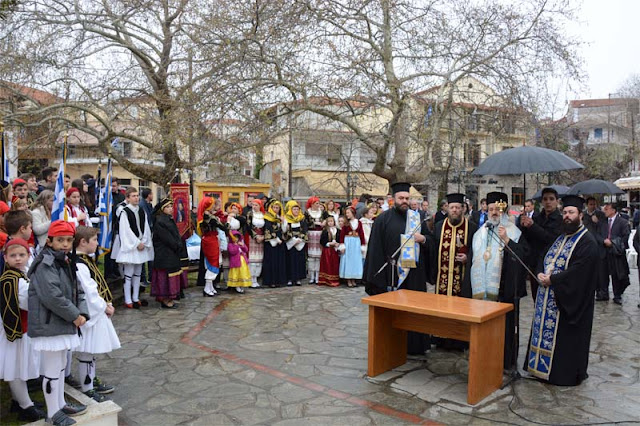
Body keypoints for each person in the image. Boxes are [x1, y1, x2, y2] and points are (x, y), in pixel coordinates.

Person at [524, 195, 598, 386]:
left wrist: (553, 280)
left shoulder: (587, 241)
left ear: (580, 215)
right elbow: (543, 256)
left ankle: (560, 375)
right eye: (564, 212)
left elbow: (579, 271)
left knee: (564, 338)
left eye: (571, 212)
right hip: (547, 294)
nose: (567, 216)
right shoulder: (561, 237)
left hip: (567, 300)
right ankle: (539, 370)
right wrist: (539, 272)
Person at [28, 221, 89, 425]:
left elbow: (77, 289)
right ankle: (52, 413)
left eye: (69, 240)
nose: (65, 244)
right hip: (49, 324)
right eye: (60, 240)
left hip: (61, 322)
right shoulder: (45, 264)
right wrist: (74, 315)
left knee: (61, 365)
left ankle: (60, 404)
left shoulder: (65, 261)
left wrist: (83, 312)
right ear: (49, 241)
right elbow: (52, 296)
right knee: (53, 369)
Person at [363, 182, 430, 355]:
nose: (404, 201)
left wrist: (423, 239)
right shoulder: (383, 219)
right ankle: (391, 346)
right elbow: (375, 248)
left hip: (414, 275)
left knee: (413, 311)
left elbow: (430, 241)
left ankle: (414, 347)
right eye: (401, 198)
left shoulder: (417, 218)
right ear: (393, 199)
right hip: (392, 275)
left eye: (407, 198)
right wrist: (376, 277)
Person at [470, 192, 529, 369]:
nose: (494, 212)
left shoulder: (514, 232)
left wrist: (507, 240)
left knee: (505, 328)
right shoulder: (480, 233)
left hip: (505, 289)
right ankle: (484, 357)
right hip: (484, 291)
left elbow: (524, 255)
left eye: (498, 209)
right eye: (491, 209)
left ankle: (505, 361)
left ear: (504, 210)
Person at [0, 238, 46, 422]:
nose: (18, 259)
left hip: (22, 328)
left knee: (19, 366)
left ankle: (18, 401)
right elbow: (28, 302)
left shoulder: (19, 275)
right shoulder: (11, 279)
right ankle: (26, 407)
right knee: (16, 369)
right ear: (5, 257)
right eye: (13, 255)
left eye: (21, 255)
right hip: (15, 330)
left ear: (28, 255)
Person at [73, 226, 120, 401]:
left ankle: (91, 380)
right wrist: (104, 306)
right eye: (94, 240)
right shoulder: (79, 264)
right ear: (83, 242)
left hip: (95, 310)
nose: (97, 243)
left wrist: (106, 302)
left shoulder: (85, 260)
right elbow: (88, 291)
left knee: (91, 351)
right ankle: (87, 388)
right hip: (88, 312)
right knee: (87, 351)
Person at [111, 187, 154, 309]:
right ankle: (128, 299)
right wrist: (136, 243)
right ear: (128, 198)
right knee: (128, 274)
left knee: (138, 273)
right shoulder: (124, 212)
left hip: (141, 245)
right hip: (131, 246)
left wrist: (144, 241)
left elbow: (145, 227)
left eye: (137, 195)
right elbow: (125, 230)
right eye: (133, 196)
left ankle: (135, 297)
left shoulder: (141, 210)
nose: (136, 198)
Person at [518, 187, 562, 300]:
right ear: (542, 201)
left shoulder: (560, 220)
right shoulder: (537, 218)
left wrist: (533, 226)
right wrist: (523, 226)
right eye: (545, 199)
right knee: (536, 297)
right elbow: (527, 239)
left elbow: (551, 239)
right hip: (535, 263)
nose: (548, 202)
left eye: (551, 199)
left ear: (557, 201)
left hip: (551, 264)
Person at [431, 193, 477, 298]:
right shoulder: (439, 226)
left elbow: (475, 251)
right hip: (442, 278)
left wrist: (468, 258)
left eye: (457, 207)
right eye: (452, 207)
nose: (454, 210)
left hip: (462, 279)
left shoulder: (471, 228)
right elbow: (433, 250)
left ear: (463, 209)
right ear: (447, 209)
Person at [151, 198, 187, 308]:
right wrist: (177, 245)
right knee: (165, 278)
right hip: (164, 253)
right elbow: (167, 238)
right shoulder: (160, 221)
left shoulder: (169, 219)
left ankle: (170, 298)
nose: (171, 208)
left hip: (171, 253)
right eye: (168, 207)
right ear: (163, 209)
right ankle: (165, 299)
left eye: (171, 206)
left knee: (171, 275)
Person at [197, 197, 228, 297]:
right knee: (213, 262)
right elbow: (223, 227)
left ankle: (210, 287)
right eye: (213, 204)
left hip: (210, 240)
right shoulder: (210, 218)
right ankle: (207, 287)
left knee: (213, 262)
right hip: (210, 241)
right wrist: (227, 222)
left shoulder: (205, 216)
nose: (214, 206)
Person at [602, 202, 630, 304]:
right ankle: (603, 293)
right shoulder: (603, 222)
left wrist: (613, 243)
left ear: (613, 210)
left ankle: (617, 295)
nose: (605, 211)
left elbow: (625, 236)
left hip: (616, 252)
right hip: (604, 251)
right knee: (604, 273)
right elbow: (599, 234)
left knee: (617, 274)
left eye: (607, 209)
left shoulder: (622, 222)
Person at [582, 197, 609, 301]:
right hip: (587, 245)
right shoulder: (583, 215)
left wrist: (597, 222)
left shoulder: (600, 215)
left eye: (594, 204)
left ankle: (602, 292)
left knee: (601, 271)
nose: (593, 206)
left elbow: (604, 229)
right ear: (587, 205)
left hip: (599, 246)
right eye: (591, 204)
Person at [263, 200, 287, 288]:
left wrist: (283, 222)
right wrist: (276, 239)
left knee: (279, 261)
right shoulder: (267, 217)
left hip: (280, 242)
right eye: (274, 207)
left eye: (278, 208)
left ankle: (279, 280)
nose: (276, 209)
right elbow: (268, 229)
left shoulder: (280, 218)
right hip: (271, 242)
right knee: (271, 262)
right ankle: (271, 281)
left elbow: (284, 230)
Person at [339, 206, 365, 287]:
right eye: (346, 213)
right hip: (348, 243)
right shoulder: (346, 223)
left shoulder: (359, 222)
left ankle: (354, 278)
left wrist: (362, 245)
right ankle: (348, 279)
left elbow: (361, 234)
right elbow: (342, 235)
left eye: (348, 213)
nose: (347, 214)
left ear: (353, 213)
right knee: (348, 260)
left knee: (355, 260)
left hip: (356, 242)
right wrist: (342, 245)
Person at [283, 200, 307, 286]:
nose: (296, 211)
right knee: (290, 261)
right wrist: (293, 240)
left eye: (297, 209)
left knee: (299, 261)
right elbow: (286, 231)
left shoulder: (302, 218)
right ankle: (290, 278)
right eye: (294, 209)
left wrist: (300, 239)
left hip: (300, 242)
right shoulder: (287, 218)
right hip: (290, 242)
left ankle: (298, 278)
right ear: (291, 210)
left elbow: (304, 230)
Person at [304, 196, 326, 284]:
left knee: (318, 257)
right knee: (311, 257)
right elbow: (305, 223)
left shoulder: (322, 212)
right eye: (316, 203)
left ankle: (317, 276)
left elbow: (328, 218)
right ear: (312, 204)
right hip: (311, 235)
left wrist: (325, 222)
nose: (318, 205)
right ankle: (311, 276)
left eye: (318, 203)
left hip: (320, 234)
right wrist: (314, 223)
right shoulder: (307, 212)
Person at [246, 199, 265, 288]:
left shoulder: (263, 215)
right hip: (253, 238)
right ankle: (251, 279)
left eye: (256, 205)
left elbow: (266, 227)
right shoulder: (250, 214)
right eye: (253, 205)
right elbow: (248, 226)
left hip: (261, 238)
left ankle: (256, 278)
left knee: (259, 259)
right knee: (252, 259)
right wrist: (255, 236)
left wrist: (263, 236)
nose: (254, 207)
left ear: (260, 206)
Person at [318, 216, 341, 287]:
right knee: (328, 264)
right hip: (327, 251)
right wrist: (328, 243)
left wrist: (338, 244)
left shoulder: (338, 230)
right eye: (329, 221)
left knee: (335, 264)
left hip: (335, 250)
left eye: (332, 221)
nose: (330, 223)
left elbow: (340, 239)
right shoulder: (325, 231)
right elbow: (322, 241)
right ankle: (326, 279)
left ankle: (335, 279)